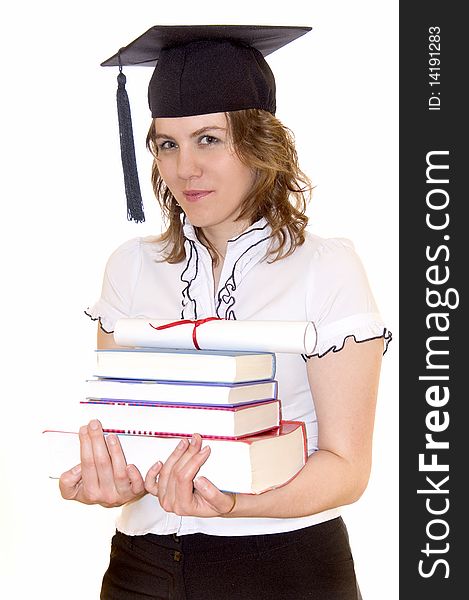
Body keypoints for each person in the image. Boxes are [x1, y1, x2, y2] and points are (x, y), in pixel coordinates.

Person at [59, 25, 391, 600]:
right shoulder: (130, 268)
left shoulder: (325, 268)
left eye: (208, 139)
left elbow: (346, 466)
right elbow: (125, 433)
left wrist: (235, 504)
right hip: (145, 568)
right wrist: (110, 481)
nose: (185, 167)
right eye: (168, 144)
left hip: (284, 567)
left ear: (260, 143)